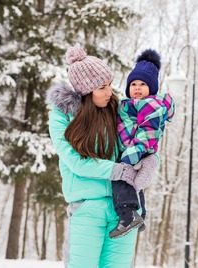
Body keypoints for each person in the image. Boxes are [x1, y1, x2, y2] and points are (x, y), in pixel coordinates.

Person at [46, 44, 159, 268]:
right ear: (86, 91)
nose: (110, 92)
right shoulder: (62, 117)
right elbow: (76, 162)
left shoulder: (119, 110)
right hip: (87, 207)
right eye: (102, 88)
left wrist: (152, 160)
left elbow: (146, 139)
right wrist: (118, 170)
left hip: (125, 210)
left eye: (109, 85)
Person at [109, 49, 175, 239]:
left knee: (121, 177)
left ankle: (128, 214)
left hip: (138, 150)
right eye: (134, 84)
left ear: (152, 88)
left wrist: (135, 150)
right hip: (131, 149)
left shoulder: (151, 105)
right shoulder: (129, 104)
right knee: (134, 183)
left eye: (143, 84)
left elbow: (149, 132)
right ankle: (141, 213)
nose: (137, 88)